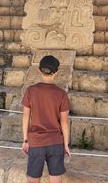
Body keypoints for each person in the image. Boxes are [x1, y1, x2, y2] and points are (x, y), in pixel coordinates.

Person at [21, 55, 71, 183]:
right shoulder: (61, 94)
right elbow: (64, 122)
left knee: (32, 178)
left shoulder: (30, 91)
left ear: (39, 71)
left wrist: (25, 140)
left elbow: (26, 116)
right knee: (55, 177)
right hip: (55, 142)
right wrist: (65, 144)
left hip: (36, 142)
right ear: (57, 72)